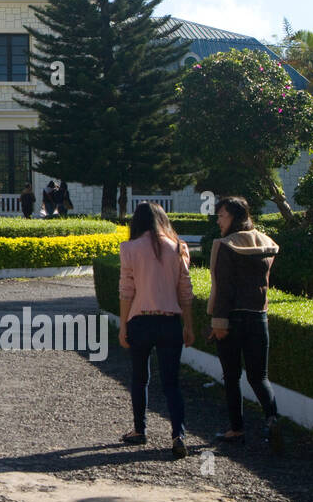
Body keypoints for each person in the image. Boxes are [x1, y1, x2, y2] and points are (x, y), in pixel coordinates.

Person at [118, 201, 194, 460]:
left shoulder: (129, 249)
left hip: (140, 320)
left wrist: (123, 325)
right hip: (170, 321)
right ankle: (178, 435)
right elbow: (185, 291)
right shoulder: (178, 247)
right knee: (172, 383)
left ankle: (140, 430)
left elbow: (127, 291)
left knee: (140, 378)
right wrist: (189, 325)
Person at [208, 196, 283, 454]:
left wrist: (218, 322)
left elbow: (224, 288)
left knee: (231, 376)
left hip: (232, 318)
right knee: (259, 376)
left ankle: (236, 429)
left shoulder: (226, 245)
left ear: (235, 217)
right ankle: (272, 419)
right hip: (259, 317)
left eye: (222, 215)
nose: (218, 220)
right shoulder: (266, 243)